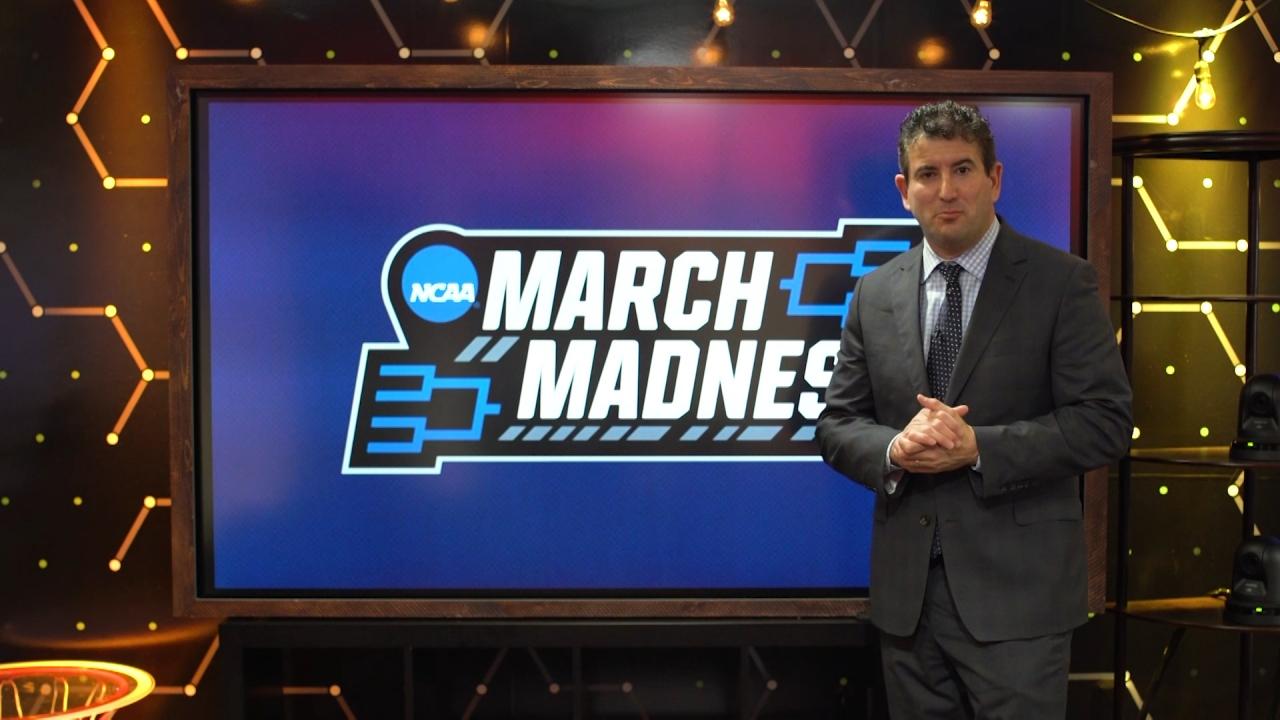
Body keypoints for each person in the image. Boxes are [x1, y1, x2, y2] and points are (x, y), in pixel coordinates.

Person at [816, 100, 1132, 719]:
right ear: (904, 190)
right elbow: (837, 424)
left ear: (995, 178)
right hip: (908, 604)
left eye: (962, 169)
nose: (947, 190)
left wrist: (979, 447)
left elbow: (1104, 421)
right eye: (928, 174)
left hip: (1020, 604)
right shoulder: (874, 293)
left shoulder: (1060, 283)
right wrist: (894, 449)